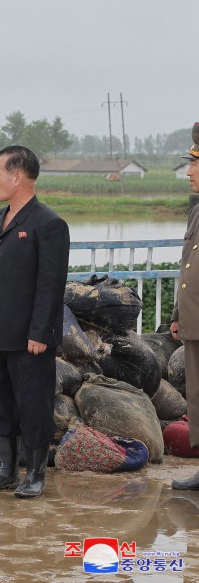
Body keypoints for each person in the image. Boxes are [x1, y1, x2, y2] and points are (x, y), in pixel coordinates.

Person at [0, 145, 70, 499]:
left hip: (28, 337)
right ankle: (4, 470)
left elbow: (50, 286)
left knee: (33, 404)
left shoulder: (49, 224)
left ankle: (35, 473)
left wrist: (40, 332)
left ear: (17, 176)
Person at [170, 122, 199, 490]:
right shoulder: (196, 210)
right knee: (197, 395)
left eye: (195, 164)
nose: (189, 171)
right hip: (194, 320)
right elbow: (187, 263)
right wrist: (178, 315)